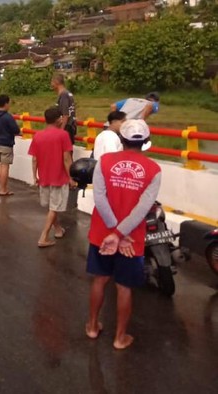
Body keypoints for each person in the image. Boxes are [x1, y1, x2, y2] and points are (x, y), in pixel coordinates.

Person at [86, 119, 161, 350]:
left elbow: (99, 198)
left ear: (121, 139)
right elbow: (143, 208)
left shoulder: (105, 161)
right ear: (146, 142)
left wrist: (113, 231)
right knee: (124, 287)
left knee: (100, 280)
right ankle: (120, 338)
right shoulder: (154, 170)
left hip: (102, 233)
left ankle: (91, 326)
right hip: (130, 238)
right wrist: (121, 234)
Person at [28, 107, 75, 248]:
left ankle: (58, 229)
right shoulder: (63, 135)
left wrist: (34, 176)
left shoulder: (38, 135)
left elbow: (34, 159)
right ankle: (43, 237)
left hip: (44, 176)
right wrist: (71, 177)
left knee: (51, 207)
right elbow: (67, 158)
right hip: (59, 178)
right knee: (54, 207)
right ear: (58, 119)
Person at [0, 94, 21, 196]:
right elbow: (16, 130)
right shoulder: (7, 117)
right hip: (6, 144)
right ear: (6, 104)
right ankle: (3, 189)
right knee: (5, 166)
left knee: (2, 164)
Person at [51, 74, 77, 145]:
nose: (51, 84)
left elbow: (65, 114)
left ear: (57, 82)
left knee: (65, 152)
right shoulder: (68, 93)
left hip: (67, 127)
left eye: (52, 82)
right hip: (70, 126)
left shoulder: (64, 95)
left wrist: (61, 130)